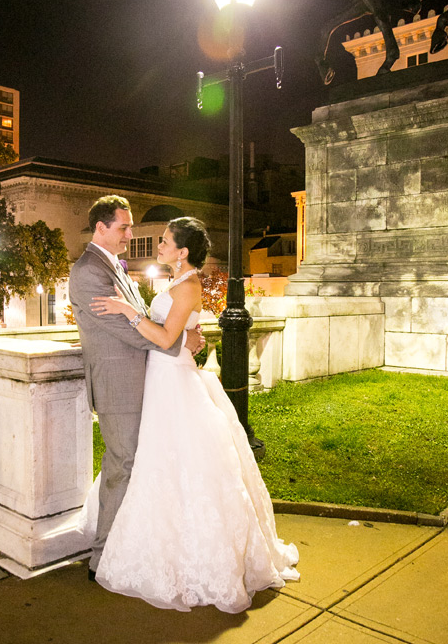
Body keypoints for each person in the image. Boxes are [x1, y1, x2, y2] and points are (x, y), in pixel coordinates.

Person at [81, 215, 300, 614]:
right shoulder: (174, 283)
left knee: (181, 467)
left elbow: (164, 336)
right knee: (158, 464)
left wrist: (126, 311)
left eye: (163, 241)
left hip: (174, 381)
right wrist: (185, 336)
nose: (158, 245)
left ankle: (191, 559)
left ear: (182, 252)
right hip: (161, 378)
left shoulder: (189, 284)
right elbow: (175, 333)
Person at [68, 196, 204, 580]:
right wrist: (177, 342)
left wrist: (177, 336)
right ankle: (103, 558)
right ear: (101, 228)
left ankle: (127, 547)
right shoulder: (88, 272)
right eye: (124, 227)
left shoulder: (115, 268)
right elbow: (121, 328)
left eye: (129, 227)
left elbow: (139, 319)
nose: (131, 234)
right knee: (123, 464)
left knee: (135, 465)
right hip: (118, 384)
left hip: (145, 380)